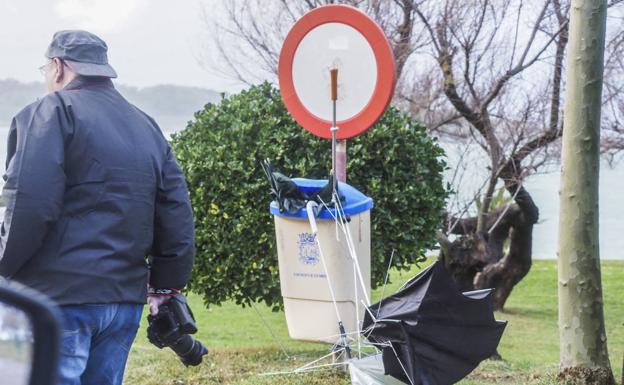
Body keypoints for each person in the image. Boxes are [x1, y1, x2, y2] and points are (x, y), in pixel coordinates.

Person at [0, 30, 195, 385]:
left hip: (57, 300)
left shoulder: (51, 112)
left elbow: (29, 204)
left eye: (45, 69)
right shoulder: (146, 125)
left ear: (58, 67)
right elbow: (176, 213)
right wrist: (166, 287)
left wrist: (3, 266)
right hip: (123, 304)